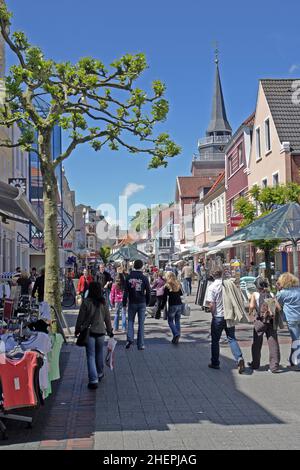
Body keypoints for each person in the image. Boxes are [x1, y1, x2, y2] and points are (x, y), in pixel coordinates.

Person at [75, 282, 113, 389]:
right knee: (99, 353)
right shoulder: (103, 302)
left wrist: (78, 329)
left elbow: (80, 317)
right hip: (101, 332)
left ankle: (93, 379)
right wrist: (110, 331)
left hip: (89, 332)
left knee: (90, 356)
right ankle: (100, 373)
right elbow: (107, 319)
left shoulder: (86, 302)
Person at [206, 269, 245, 373]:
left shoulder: (212, 287)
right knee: (232, 338)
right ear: (221, 274)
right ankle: (239, 358)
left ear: (212, 275)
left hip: (218, 317)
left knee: (215, 340)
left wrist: (212, 313)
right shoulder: (227, 284)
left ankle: (215, 362)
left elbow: (212, 305)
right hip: (229, 315)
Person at [248, 277, 282, 373]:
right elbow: (279, 307)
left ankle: (255, 364)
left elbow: (251, 306)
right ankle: (274, 366)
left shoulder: (255, 294)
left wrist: (250, 313)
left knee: (257, 344)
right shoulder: (271, 294)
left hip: (260, 321)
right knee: (273, 343)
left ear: (257, 286)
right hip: (271, 321)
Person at [123, 259, 151, 350]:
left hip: (132, 302)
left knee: (130, 321)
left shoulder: (128, 277)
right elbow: (148, 291)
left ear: (134, 266)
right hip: (142, 302)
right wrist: (147, 302)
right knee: (141, 324)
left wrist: (124, 303)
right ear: (142, 266)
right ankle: (140, 344)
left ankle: (129, 339)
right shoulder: (144, 277)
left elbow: (125, 292)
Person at [276, 272, 300, 368]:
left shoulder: (283, 293)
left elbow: (277, 304)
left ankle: (297, 363)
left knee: (296, 340)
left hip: (292, 318)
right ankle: (292, 359)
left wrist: (278, 290)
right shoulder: (298, 290)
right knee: (296, 339)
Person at [161, 271, 183, 344]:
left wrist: (161, 307)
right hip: (179, 304)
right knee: (177, 321)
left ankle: (176, 334)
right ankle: (177, 336)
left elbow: (164, 298)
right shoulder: (178, 284)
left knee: (170, 321)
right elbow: (181, 294)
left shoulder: (167, 285)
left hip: (172, 305)